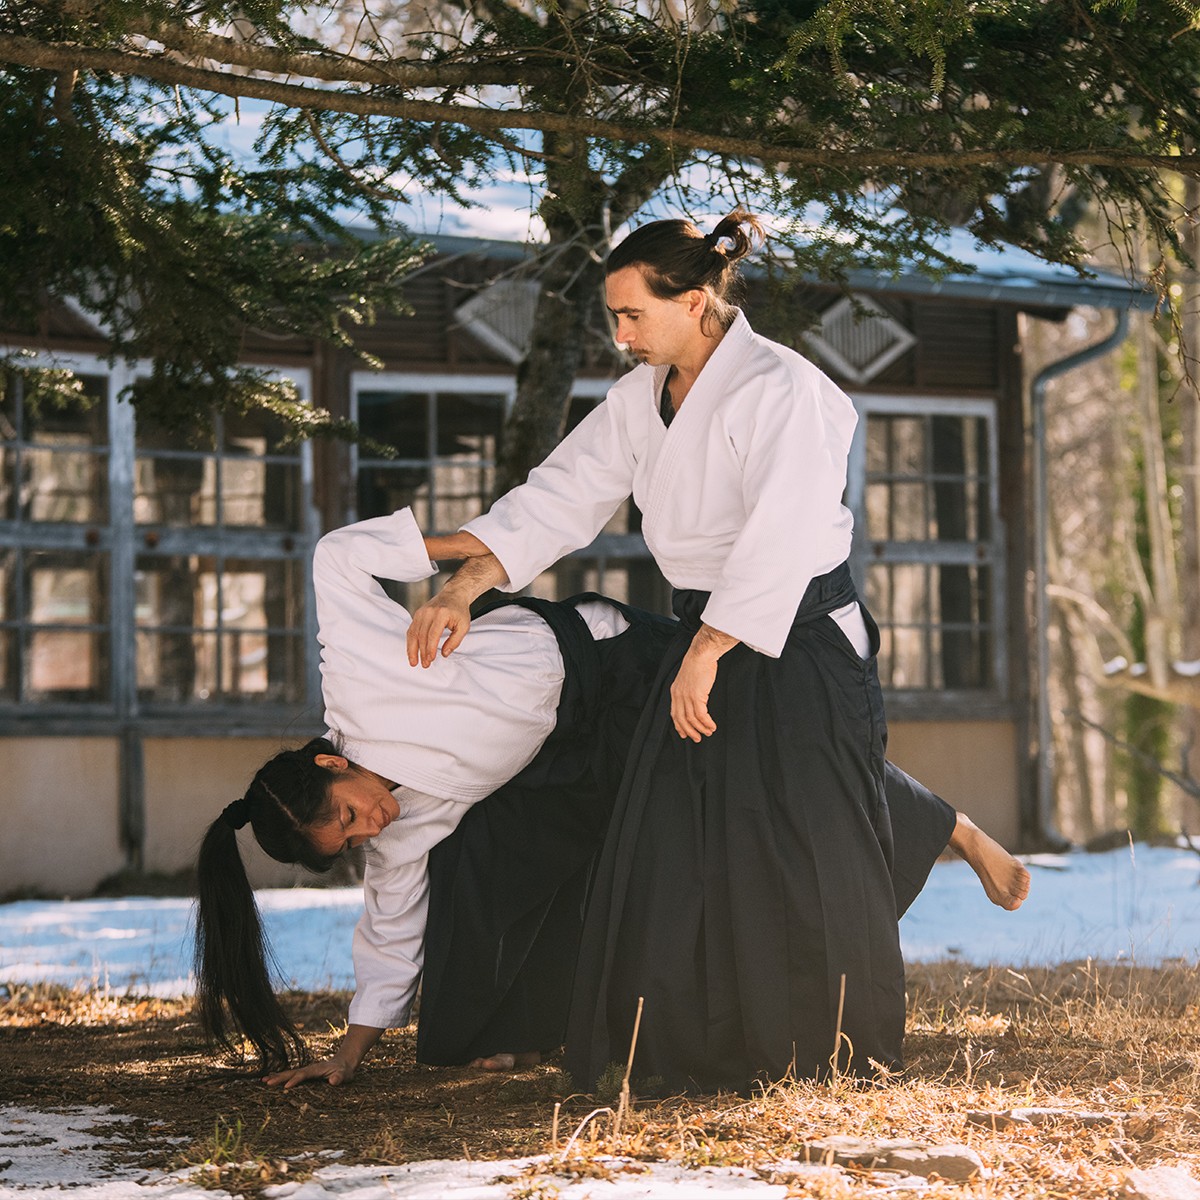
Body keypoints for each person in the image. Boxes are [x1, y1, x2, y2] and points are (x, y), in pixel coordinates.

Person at [407, 209, 1030, 1095]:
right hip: (706, 629)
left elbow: (782, 533)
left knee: (800, 845)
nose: (619, 334)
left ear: (697, 301)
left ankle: (822, 1054)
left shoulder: (787, 389)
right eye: (613, 317)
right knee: (672, 839)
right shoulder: (639, 398)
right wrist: (464, 585)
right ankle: (686, 1051)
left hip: (801, 637)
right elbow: (558, 497)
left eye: (631, 315)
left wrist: (705, 650)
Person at [194, 508, 1025, 1089]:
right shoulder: (408, 830)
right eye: (349, 842)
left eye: (347, 814)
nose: (370, 827)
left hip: (615, 662)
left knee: (774, 757)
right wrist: (348, 1054)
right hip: (572, 752)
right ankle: (527, 1027)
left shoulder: (361, 677)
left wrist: (472, 558)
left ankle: (950, 824)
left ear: (330, 761)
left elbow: (335, 556)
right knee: (499, 861)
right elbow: (390, 929)